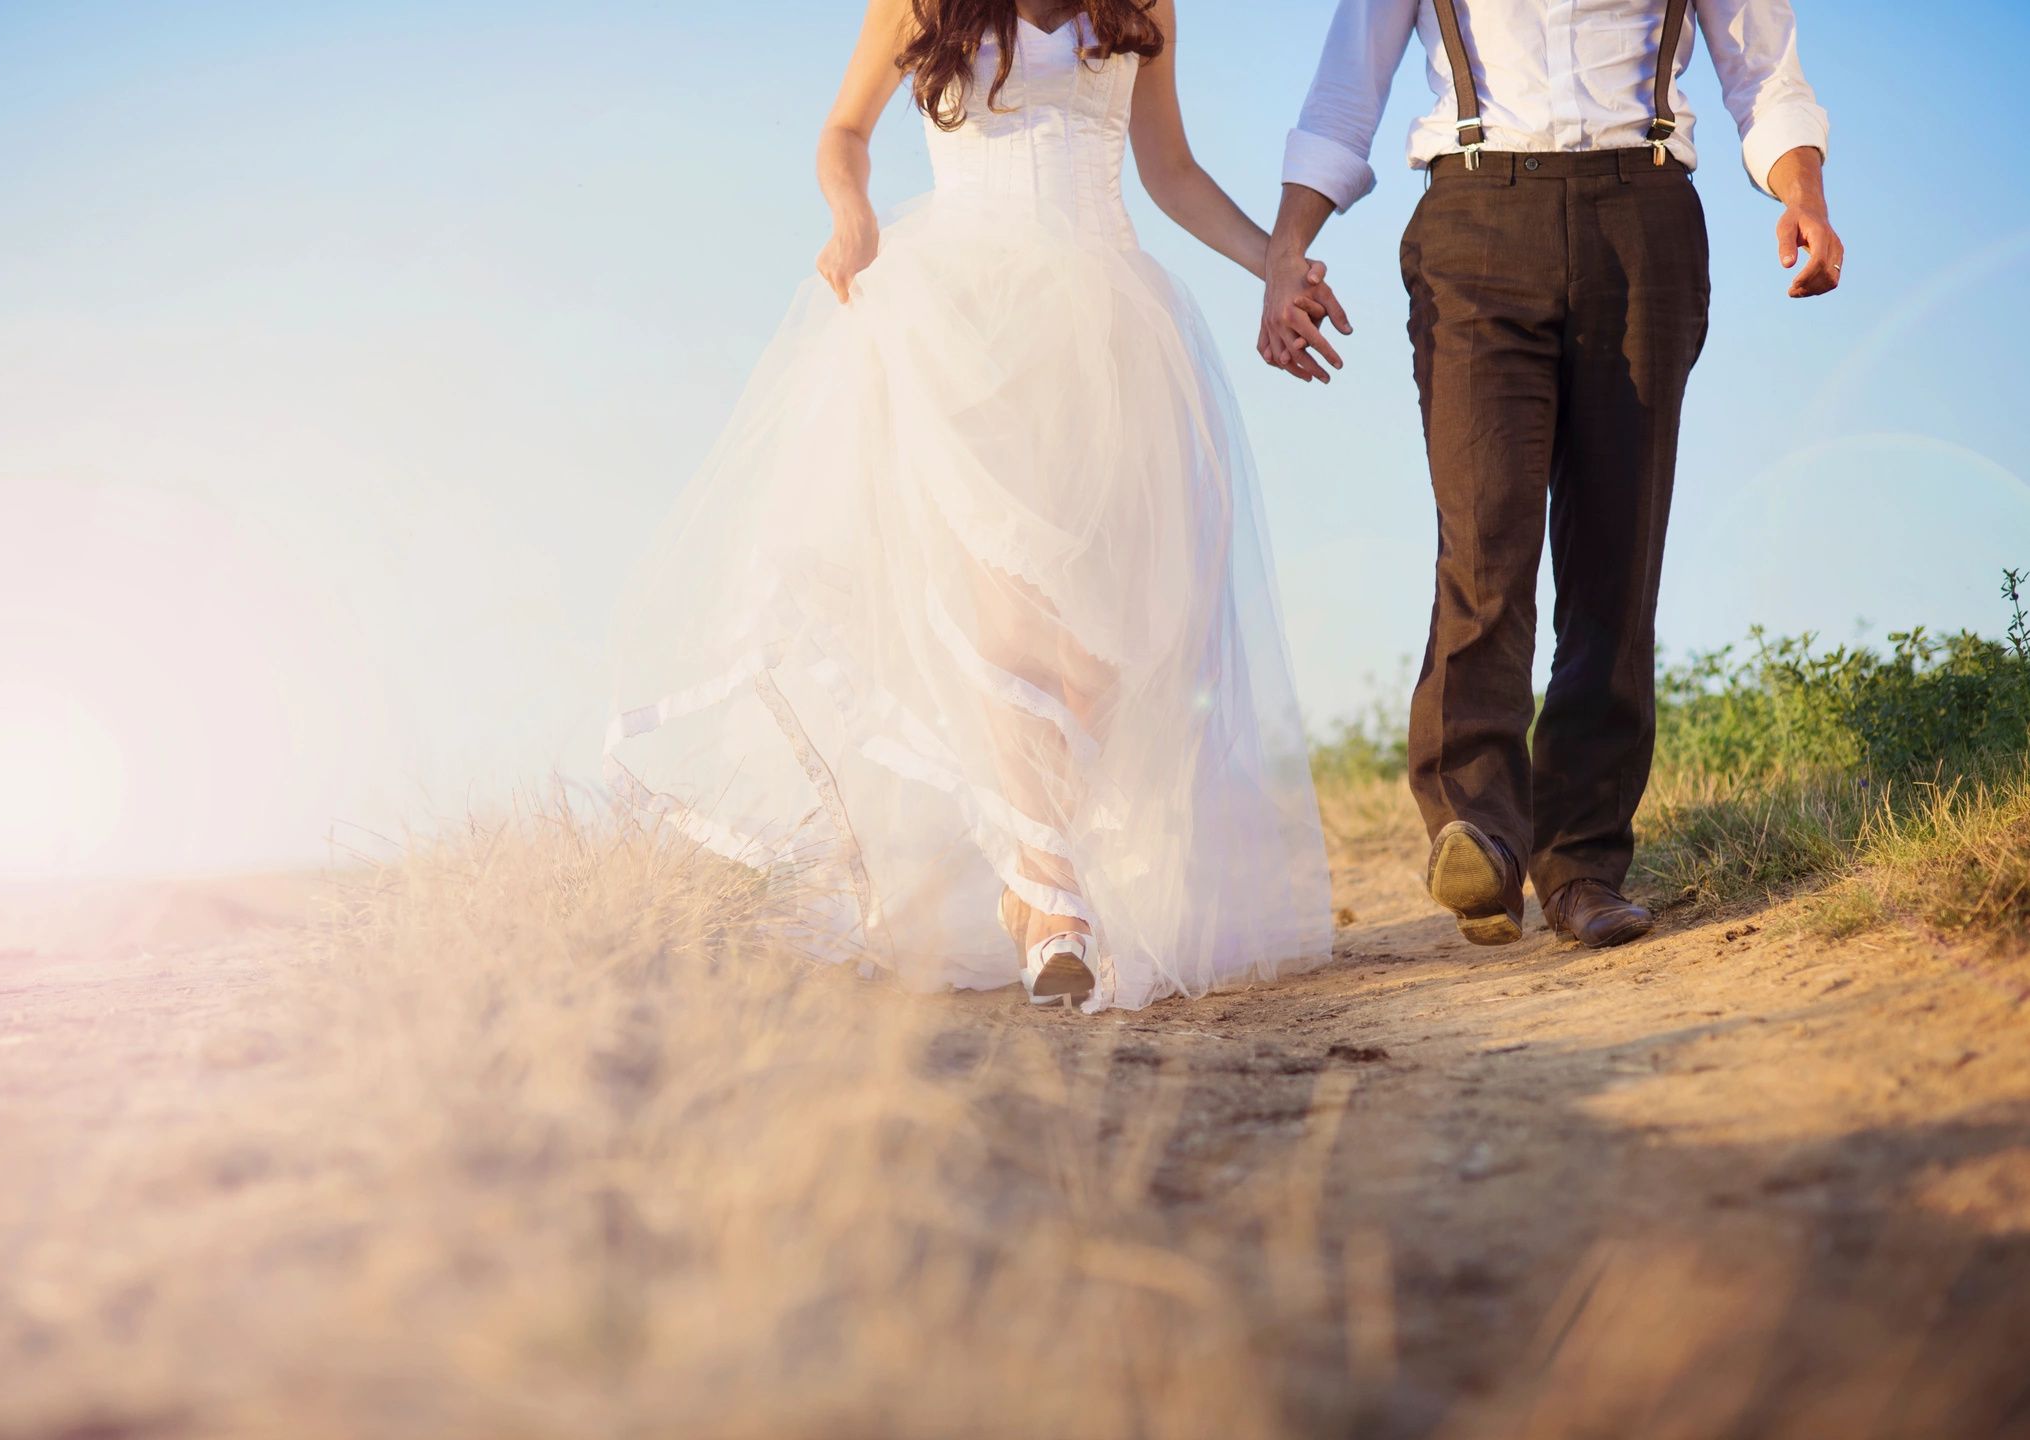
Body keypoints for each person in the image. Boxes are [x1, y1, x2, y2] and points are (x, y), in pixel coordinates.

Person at [602, 0, 1332, 1011]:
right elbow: (843, 130)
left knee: (1107, 649)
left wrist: (1272, 264)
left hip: (1108, 337)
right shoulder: (921, 2)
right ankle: (1055, 901)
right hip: (962, 325)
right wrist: (850, 214)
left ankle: (1033, 881)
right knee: (1007, 623)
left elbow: (1166, 168)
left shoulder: (1142, 3)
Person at [1260, 0, 1841, 948]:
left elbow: (1762, 69)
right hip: (1475, 224)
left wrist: (1802, 195)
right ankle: (1478, 834)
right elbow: (1343, 92)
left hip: (1643, 219)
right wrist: (1286, 250)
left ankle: (1580, 864)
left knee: (1617, 551)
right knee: (1486, 538)